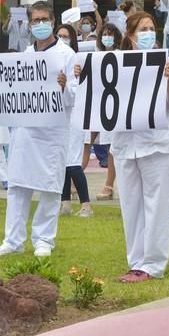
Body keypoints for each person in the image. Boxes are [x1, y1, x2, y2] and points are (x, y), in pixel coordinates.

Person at [89, 11, 169, 283]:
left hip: (158, 145)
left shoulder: (165, 62)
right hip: (125, 144)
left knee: (157, 205)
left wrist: (167, 80)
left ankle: (153, 264)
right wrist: (82, 75)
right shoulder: (113, 64)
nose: (148, 33)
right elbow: (97, 96)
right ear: (130, 35)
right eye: (142, 29)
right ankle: (136, 261)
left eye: (151, 28)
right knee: (131, 206)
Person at [0, 0, 74, 259]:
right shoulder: (25, 55)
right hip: (24, 130)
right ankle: (12, 240)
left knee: (49, 185)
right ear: (29, 24)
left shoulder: (66, 55)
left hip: (53, 130)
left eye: (44, 20)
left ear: (54, 22)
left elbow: (75, 96)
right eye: (35, 21)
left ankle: (44, 239)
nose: (40, 25)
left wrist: (63, 86)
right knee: (18, 185)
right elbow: (10, 92)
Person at [55, 23, 93, 218]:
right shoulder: (52, 57)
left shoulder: (77, 59)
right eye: (59, 35)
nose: (62, 39)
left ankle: (86, 205)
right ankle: (65, 203)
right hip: (58, 115)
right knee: (63, 161)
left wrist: (78, 76)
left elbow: (80, 88)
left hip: (76, 114)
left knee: (73, 161)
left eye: (66, 36)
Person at [83, 23, 122, 200]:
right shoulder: (95, 56)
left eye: (110, 34)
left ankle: (109, 184)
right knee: (86, 141)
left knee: (111, 145)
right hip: (96, 102)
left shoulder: (122, 56)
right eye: (104, 34)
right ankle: (74, 179)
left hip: (114, 104)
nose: (107, 37)